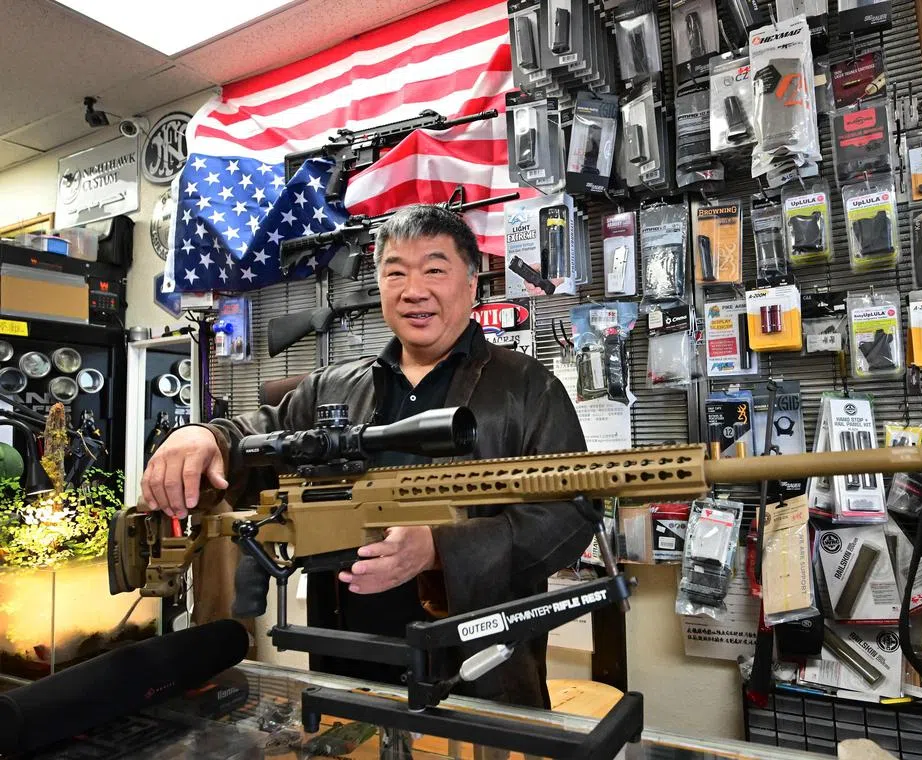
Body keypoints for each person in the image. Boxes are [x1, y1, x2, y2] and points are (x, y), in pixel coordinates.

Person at [139, 204, 593, 709]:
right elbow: (259, 440)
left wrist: (440, 550)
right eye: (395, 272)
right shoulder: (331, 386)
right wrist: (203, 436)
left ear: (471, 286)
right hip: (344, 660)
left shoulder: (528, 388)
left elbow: (570, 517)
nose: (414, 291)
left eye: (435, 270)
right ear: (379, 286)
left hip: (479, 667)